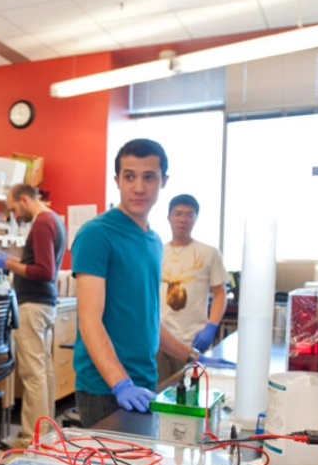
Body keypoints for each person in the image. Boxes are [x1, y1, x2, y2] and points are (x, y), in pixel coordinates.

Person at [71, 139, 197, 428]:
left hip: (144, 382)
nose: (138, 187)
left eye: (149, 177)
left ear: (163, 181)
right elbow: (89, 321)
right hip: (105, 388)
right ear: (117, 180)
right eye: (129, 176)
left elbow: (149, 318)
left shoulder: (153, 241)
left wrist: (192, 356)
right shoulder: (96, 235)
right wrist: (121, 383)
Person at [0, 183, 66, 444]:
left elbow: (45, 271)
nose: (15, 215)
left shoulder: (42, 222)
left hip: (33, 305)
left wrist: (10, 263)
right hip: (45, 304)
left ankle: (31, 437)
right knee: (43, 368)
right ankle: (45, 432)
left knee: (32, 373)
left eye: (14, 209)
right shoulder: (53, 218)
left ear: (24, 200)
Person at [158, 194, 228, 384]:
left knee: (192, 394)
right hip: (160, 341)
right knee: (160, 394)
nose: (183, 219)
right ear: (169, 217)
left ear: (196, 218)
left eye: (189, 214)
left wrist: (211, 326)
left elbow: (220, 294)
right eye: (178, 214)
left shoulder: (209, 253)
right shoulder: (156, 252)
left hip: (194, 341)